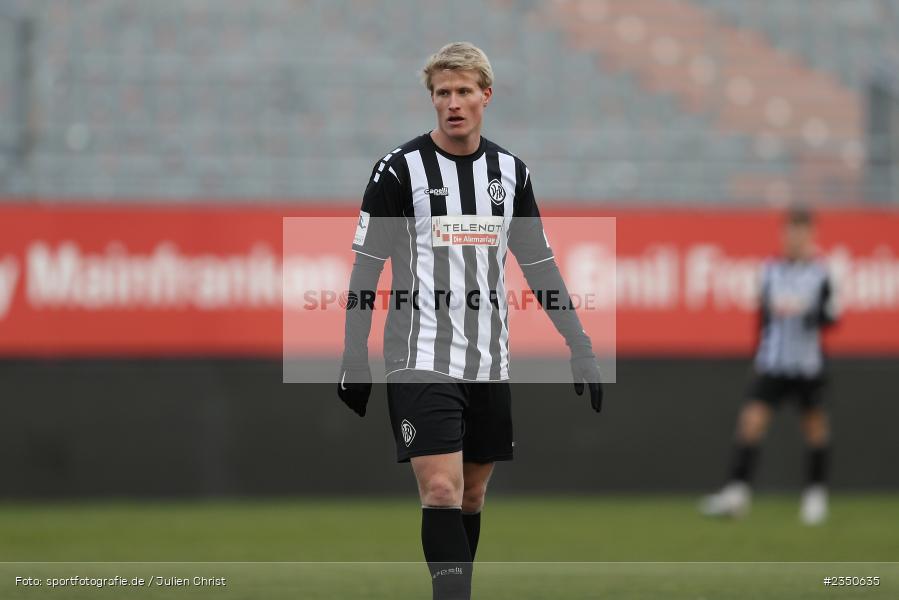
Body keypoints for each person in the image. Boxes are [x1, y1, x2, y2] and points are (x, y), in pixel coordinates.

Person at [336, 42, 603, 599]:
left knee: (472, 495)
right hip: (418, 354)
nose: (452, 103)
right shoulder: (398, 170)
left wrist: (579, 344)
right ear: (431, 99)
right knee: (440, 488)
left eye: (463, 91)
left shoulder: (510, 173)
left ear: (486, 95)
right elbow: (366, 265)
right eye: (442, 93)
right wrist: (353, 354)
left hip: (488, 358)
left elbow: (540, 265)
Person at [700, 207, 839, 525]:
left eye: (801, 233)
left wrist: (808, 314)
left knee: (815, 430)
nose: (795, 238)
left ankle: (815, 497)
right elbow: (763, 320)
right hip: (773, 363)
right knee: (750, 423)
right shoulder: (770, 271)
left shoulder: (821, 274)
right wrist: (758, 356)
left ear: (810, 236)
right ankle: (736, 494)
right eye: (790, 232)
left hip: (807, 365)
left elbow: (832, 316)